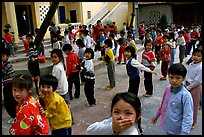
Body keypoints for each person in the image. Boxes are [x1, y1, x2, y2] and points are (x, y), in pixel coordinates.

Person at [151, 63, 193, 135]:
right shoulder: (167, 89)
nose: (174, 80)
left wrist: (184, 132)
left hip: (178, 130)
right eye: (171, 77)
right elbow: (163, 104)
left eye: (178, 78)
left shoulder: (185, 96)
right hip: (167, 125)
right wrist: (157, 115)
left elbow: (188, 116)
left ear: (183, 78)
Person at [184, 48, 202, 129]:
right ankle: (186, 118)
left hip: (195, 87)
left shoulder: (200, 67)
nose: (195, 57)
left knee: (194, 105)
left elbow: (197, 81)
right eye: (194, 55)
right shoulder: (191, 64)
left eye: (198, 56)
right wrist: (184, 83)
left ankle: (193, 121)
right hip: (187, 85)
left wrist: (188, 87)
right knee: (186, 103)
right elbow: (187, 75)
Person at [2, 48, 18, 124]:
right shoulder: (5, 64)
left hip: (9, 85)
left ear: (7, 56)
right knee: (11, 101)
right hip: (9, 85)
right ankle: (16, 115)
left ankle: (14, 116)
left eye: (3, 56)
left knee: (8, 102)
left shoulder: (7, 65)